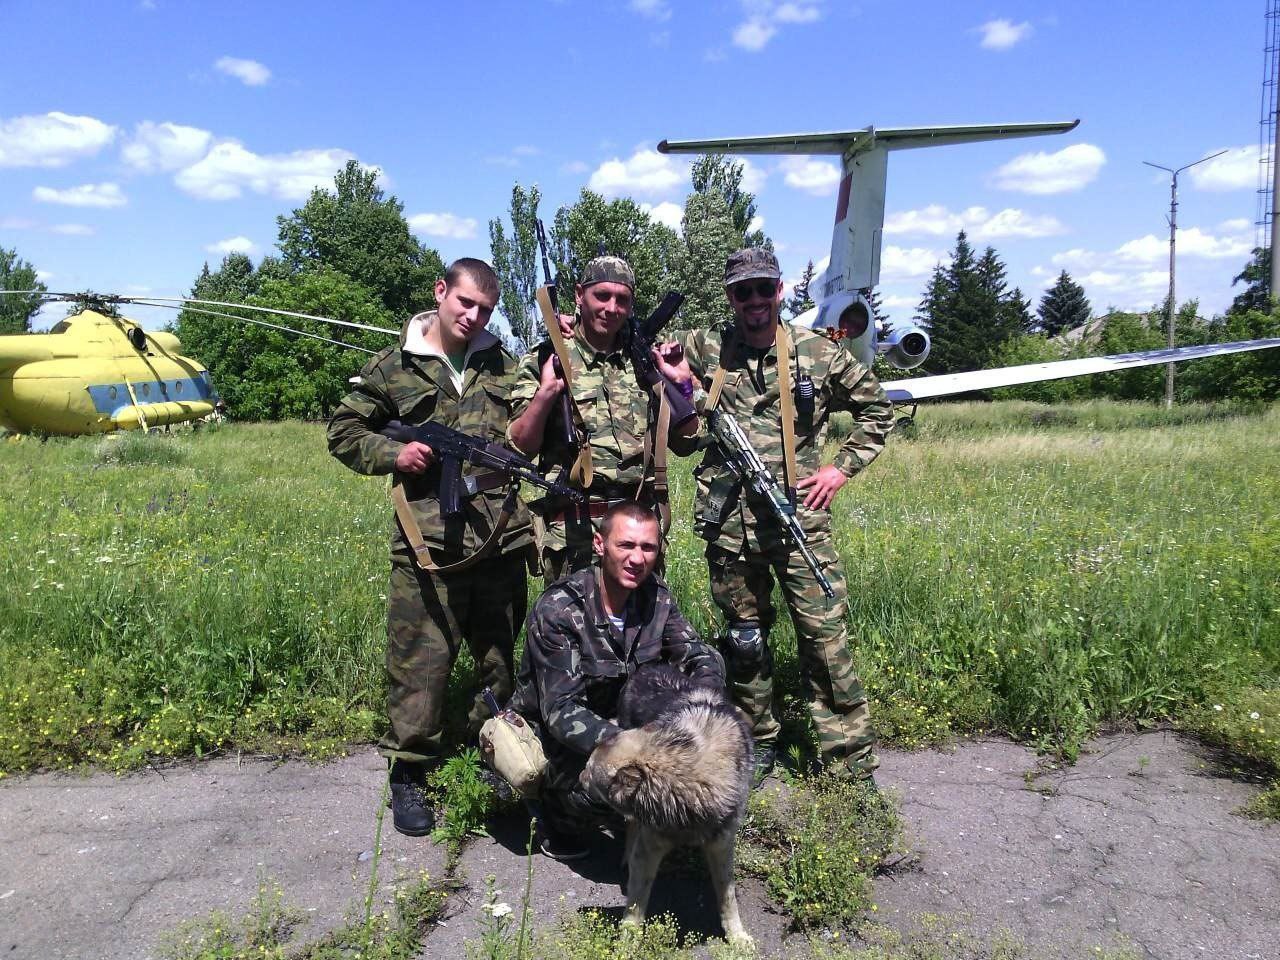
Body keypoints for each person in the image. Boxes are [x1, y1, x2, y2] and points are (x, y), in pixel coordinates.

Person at [667, 247, 895, 785]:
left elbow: (878, 409)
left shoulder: (818, 352)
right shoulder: (705, 347)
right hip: (730, 523)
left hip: (800, 524)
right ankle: (757, 740)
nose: (754, 300)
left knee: (824, 638)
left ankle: (848, 758)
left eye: (763, 288)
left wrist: (839, 469)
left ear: (780, 290)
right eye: (742, 291)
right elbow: (640, 346)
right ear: (730, 297)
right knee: (744, 640)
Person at [327, 258, 532, 837]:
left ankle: (490, 754)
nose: (473, 317)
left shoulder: (503, 365)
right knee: (420, 661)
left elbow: (529, 427)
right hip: (427, 541)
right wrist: (397, 454)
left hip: (497, 537)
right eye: (465, 302)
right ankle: (410, 770)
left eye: (485, 310)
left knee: (498, 659)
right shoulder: (395, 365)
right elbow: (343, 432)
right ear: (441, 292)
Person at [509, 501, 725, 860]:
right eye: (625, 545)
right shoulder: (561, 609)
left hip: (623, 723)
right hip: (559, 742)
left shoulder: (655, 597)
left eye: (647, 548)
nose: (637, 559)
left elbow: (699, 657)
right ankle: (555, 816)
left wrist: (701, 718)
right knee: (620, 784)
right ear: (600, 545)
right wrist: (642, 748)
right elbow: (560, 712)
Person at [507, 256, 697, 583]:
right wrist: (547, 393)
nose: (612, 308)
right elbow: (520, 446)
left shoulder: (645, 360)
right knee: (572, 618)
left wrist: (682, 385)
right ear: (579, 294)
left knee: (645, 619)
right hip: (574, 534)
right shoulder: (548, 357)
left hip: (637, 533)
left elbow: (686, 443)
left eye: (622, 299)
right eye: (602, 296)